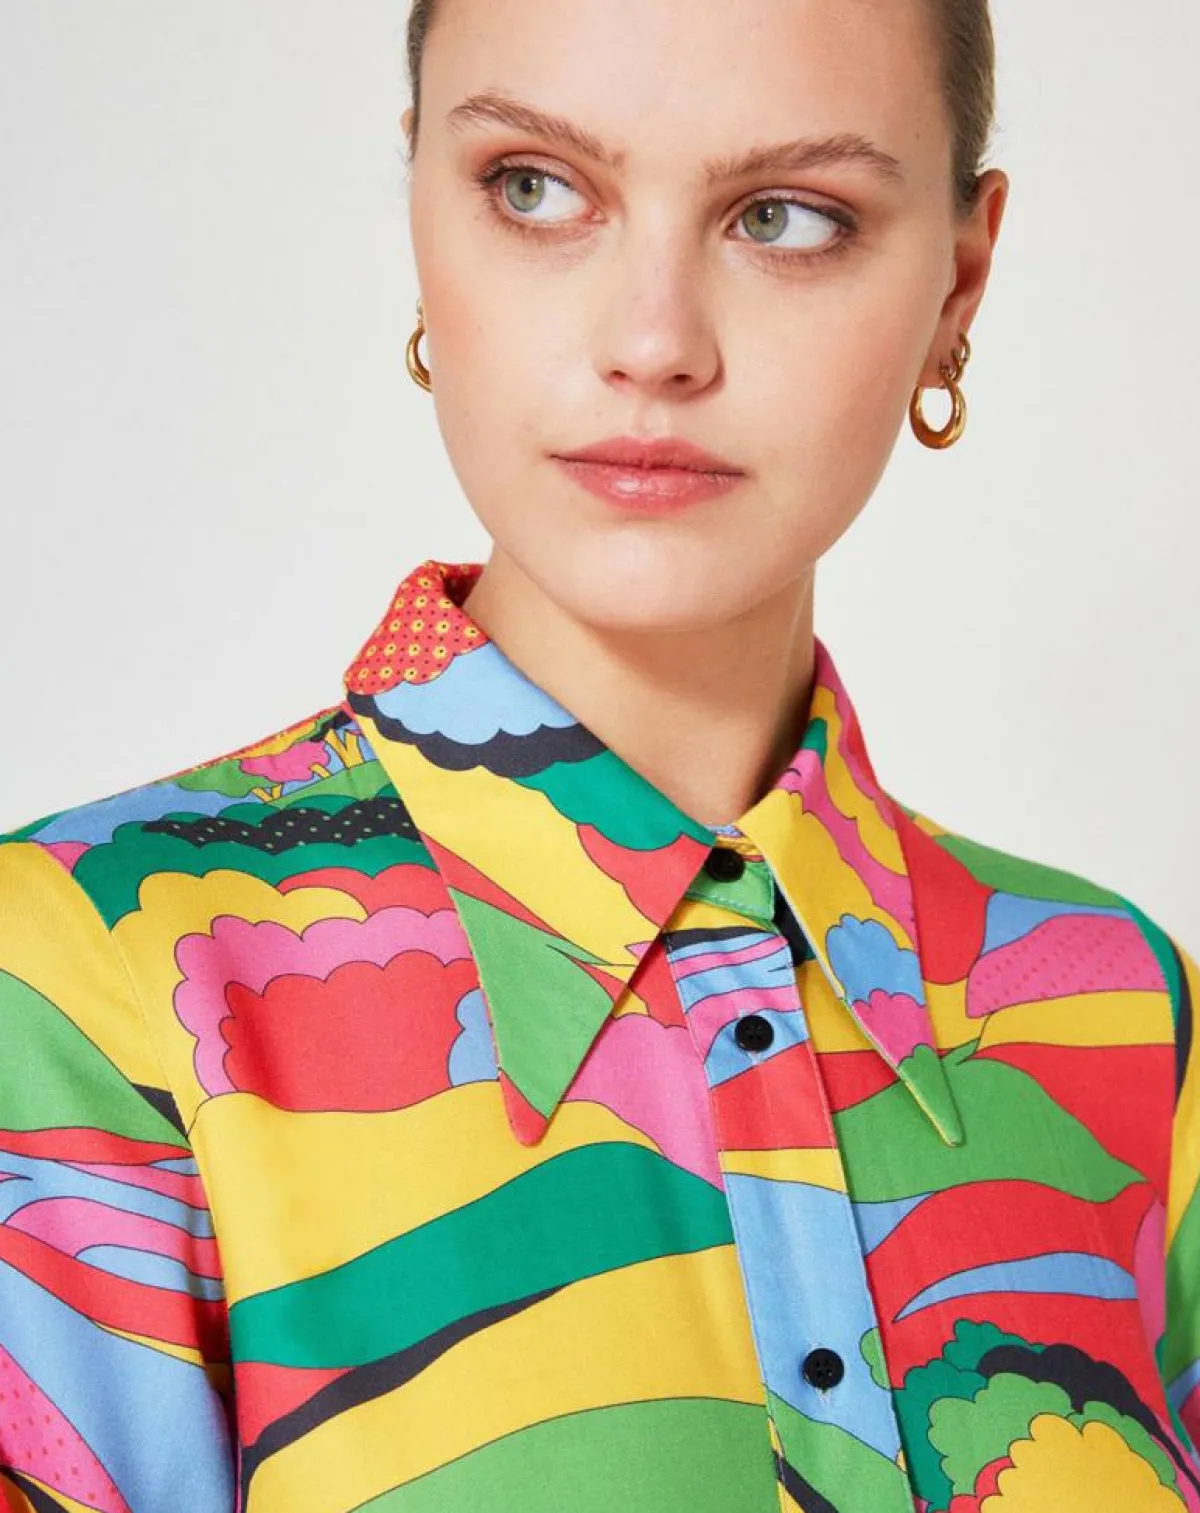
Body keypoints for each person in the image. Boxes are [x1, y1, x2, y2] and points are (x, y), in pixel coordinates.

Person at [0, 0, 1196, 1508]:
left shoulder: (1123, 1007)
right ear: (424, 210)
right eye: (535, 188)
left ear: (957, 285)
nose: (653, 346)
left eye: (787, 216)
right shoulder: (81, 988)